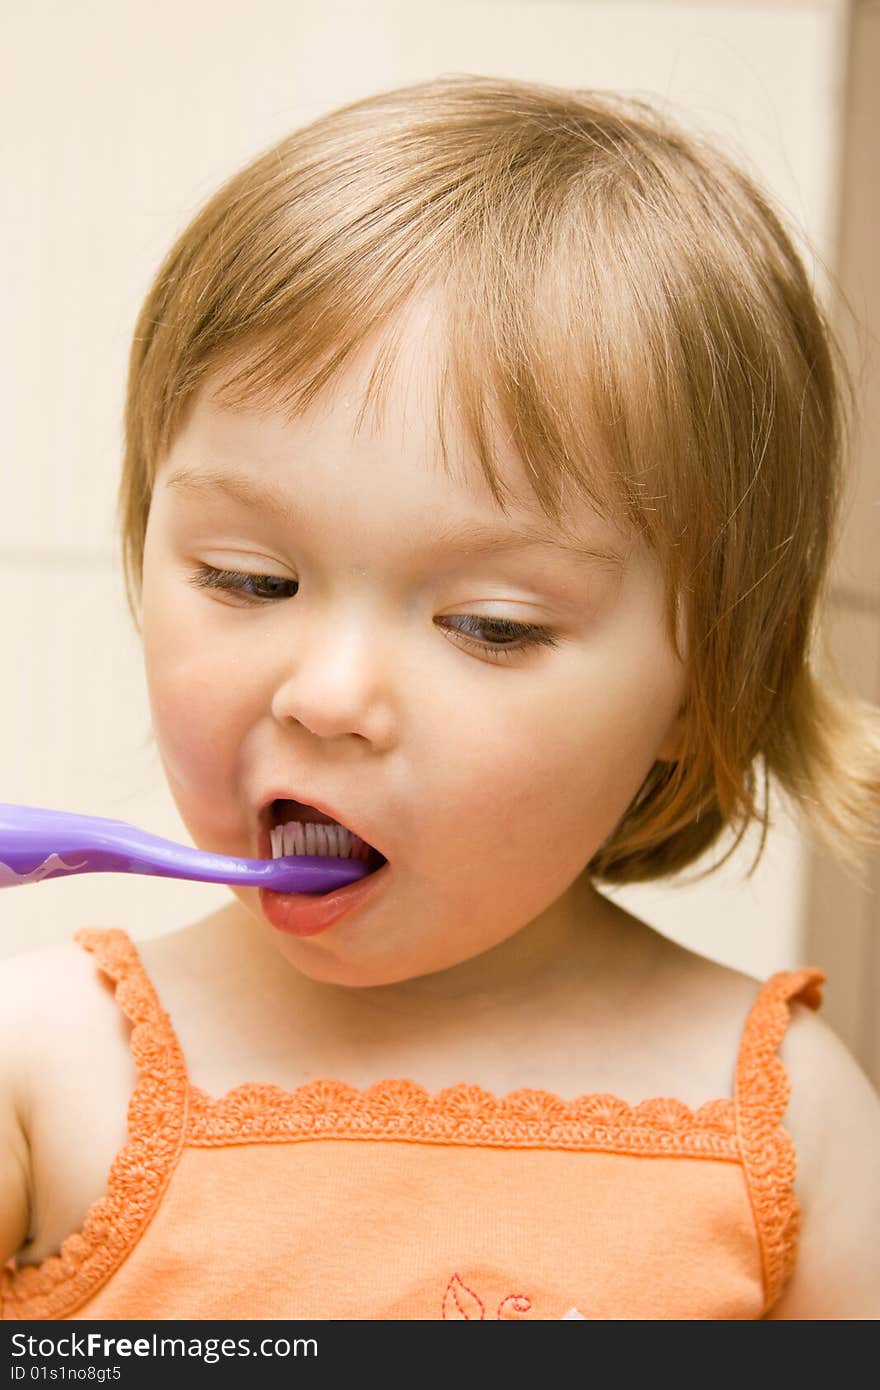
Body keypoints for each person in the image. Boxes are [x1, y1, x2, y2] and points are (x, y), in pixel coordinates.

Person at [1, 75, 878, 1322]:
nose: (330, 694)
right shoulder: (40, 1070)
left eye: (489, 625)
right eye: (251, 580)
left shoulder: (794, 1127)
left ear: (704, 684)